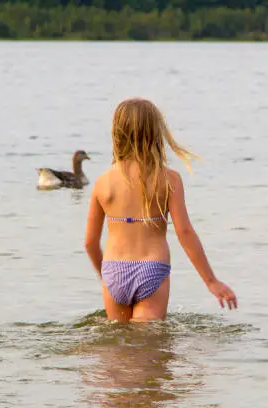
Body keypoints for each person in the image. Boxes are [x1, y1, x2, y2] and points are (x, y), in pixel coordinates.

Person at [84, 98, 238, 322]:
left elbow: (89, 242)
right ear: (156, 132)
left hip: (113, 269)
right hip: (151, 268)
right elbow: (185, 233)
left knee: (118, 351)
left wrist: (106, 277)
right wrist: (211, 281)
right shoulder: (168, 179)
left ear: (116, 132)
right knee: (150, 349)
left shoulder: (103, 182)